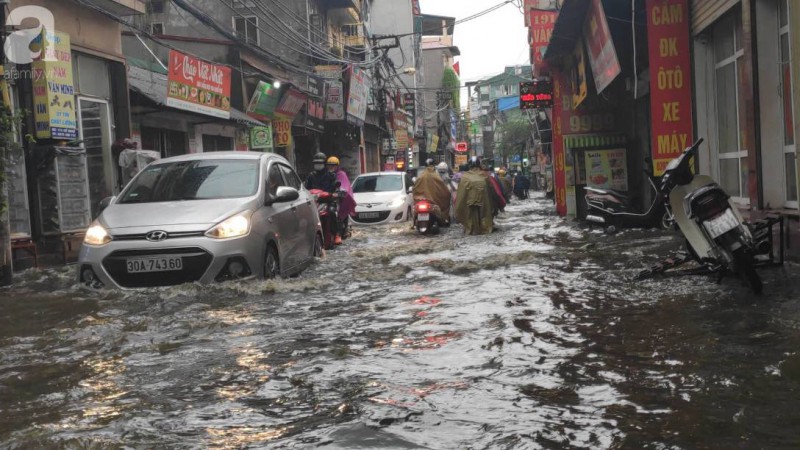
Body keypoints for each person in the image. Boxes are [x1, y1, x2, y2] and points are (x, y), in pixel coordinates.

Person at [454, 156, 495, 235]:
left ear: (469, 165)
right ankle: (485, 228)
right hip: (483, 201)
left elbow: (461, 194)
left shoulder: (465, 177)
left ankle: (470, 228)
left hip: (469, 201)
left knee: (468, 215)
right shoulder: (485, 175)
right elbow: (491, 189)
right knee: (485, 214)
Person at [326, 156, 355, 245]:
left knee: (335, 213)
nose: (331, 167)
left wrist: (340, 192)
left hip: (338, 199)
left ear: (337, 166)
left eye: (333, 165)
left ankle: (338, 233)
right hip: (326, 198)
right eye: (329, 165)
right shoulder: (325, 175)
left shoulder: (341, 174)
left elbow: (344, 185)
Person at [413, 159, 452, 224]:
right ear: (434, 166)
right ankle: (444, 219)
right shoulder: (436, 177)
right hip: (433, 201)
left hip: (422, 201)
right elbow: (444, 190)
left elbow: (415, 189)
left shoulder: (420, 176)